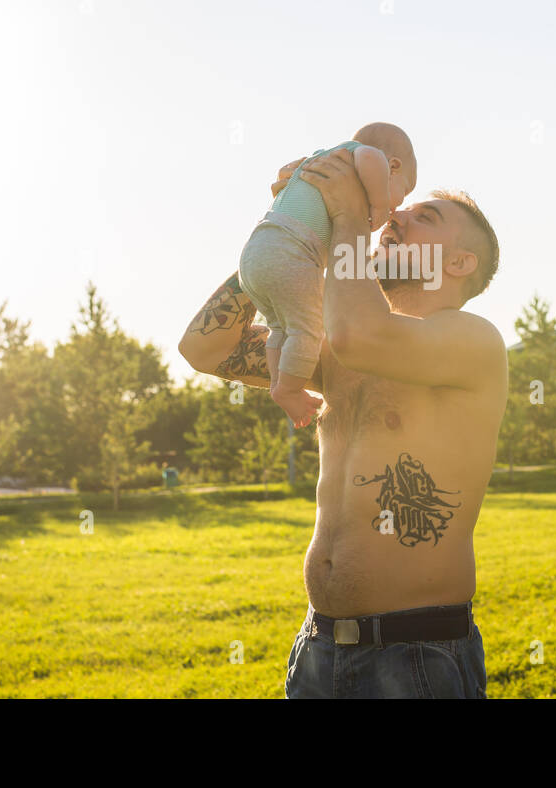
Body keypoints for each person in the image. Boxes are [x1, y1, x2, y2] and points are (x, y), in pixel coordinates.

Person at [179, 145, 506, 698]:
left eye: (424, 217)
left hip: (414, 656)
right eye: (398, 211)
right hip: (319, 648)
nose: (394, 216)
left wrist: (350, 215)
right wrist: (288, 231)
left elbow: (360, 335)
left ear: (460, 263)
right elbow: (204, 348)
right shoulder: (336, 350)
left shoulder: (473, 341)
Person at [237, 123, 416, 428]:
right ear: (393, 166)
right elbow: (371, 159)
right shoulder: (364, 156)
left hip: (255, 255)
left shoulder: (322, 162)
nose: (397, 208)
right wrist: (378, 204)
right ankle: (289, 389)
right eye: (404, 192)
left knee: (281, 329)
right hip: (289, 253)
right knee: (308, 329)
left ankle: (279, 384)